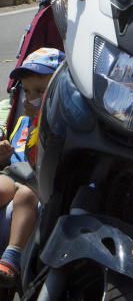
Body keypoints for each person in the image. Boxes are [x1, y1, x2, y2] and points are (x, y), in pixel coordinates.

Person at [0, 48, 64, 285]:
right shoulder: (21, 121)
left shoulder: (58, 124)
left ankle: (12, 256)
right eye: (27, 91)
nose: (30, 98)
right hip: (13, 173)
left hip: (38, 182)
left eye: (40, 91)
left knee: (25, 196)